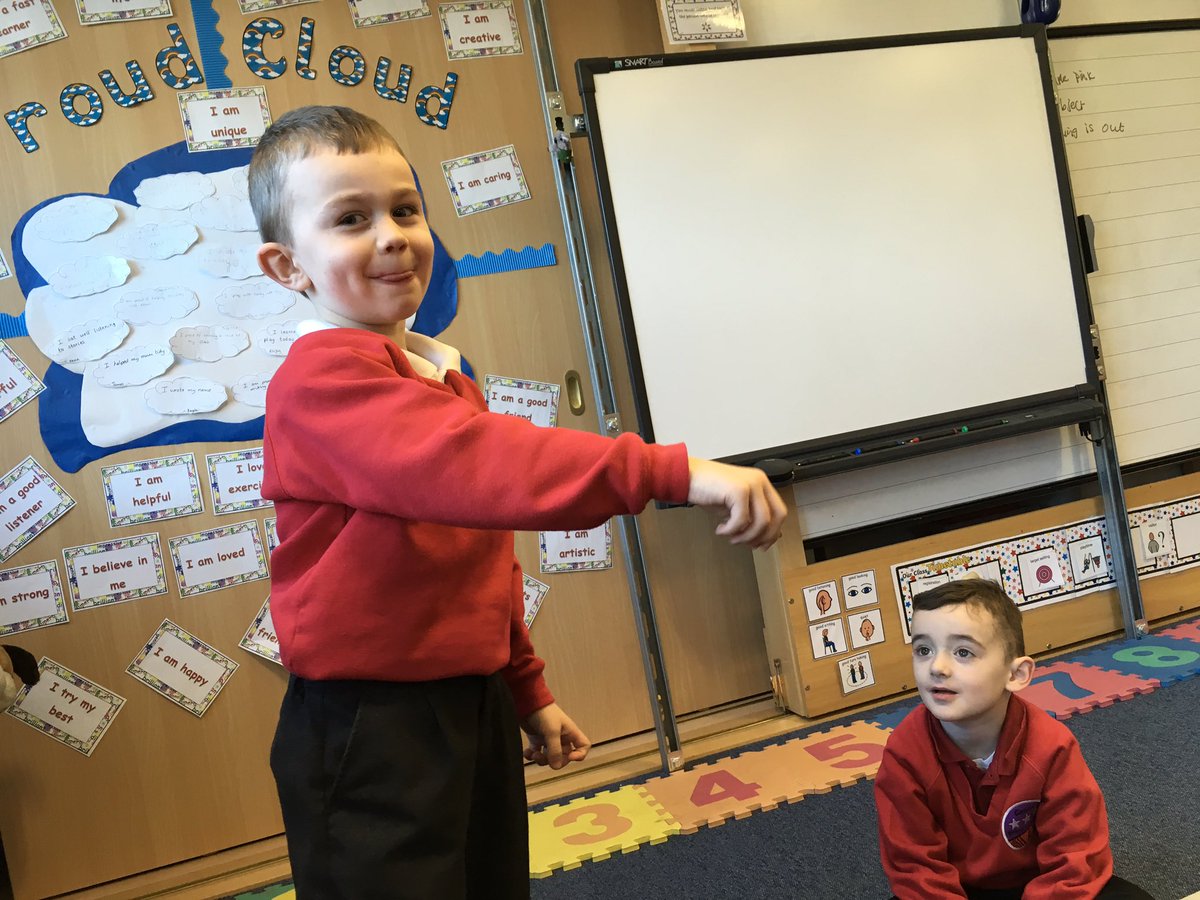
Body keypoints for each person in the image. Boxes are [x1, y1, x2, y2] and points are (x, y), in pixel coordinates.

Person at [248, 105, 787, 900]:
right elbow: (485, 463)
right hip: (372, 723)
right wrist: (672, 472)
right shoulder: (321, 382)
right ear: (287, 266)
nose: (392, 235)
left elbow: (478, 564)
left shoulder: (437, 377)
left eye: (406, 209)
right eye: (351, 219)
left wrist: (525, 690)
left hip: (468, 697)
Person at [874, 579, 1154, 900]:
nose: (937, 667)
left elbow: (1075, 856)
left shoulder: (1051, 746)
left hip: (1041, 882)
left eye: (963, 652)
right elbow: (916, 869)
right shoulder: (905, 754)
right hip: (956, 890)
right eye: (924, 650)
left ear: (1016, 674)